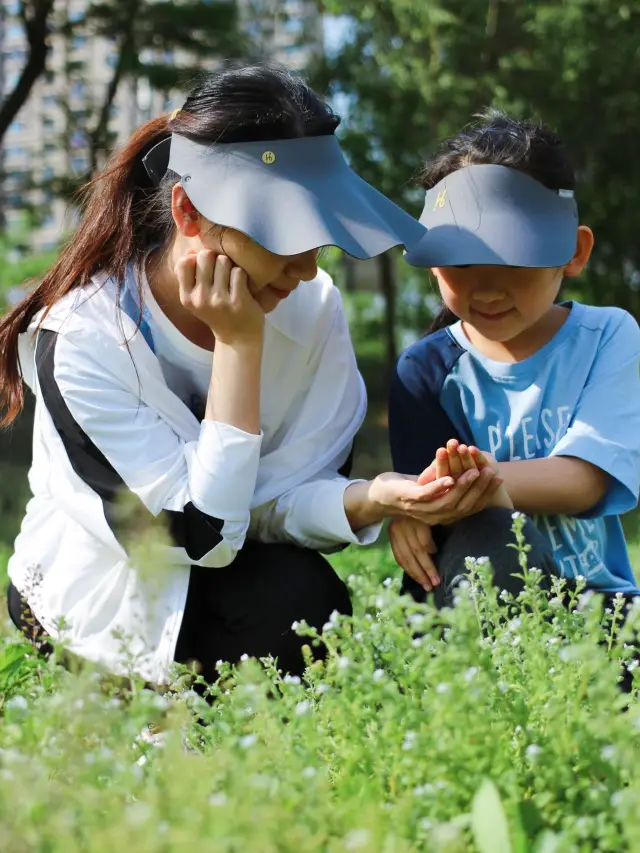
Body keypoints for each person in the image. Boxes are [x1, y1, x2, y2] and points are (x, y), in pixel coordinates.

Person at [1, 63, 489, 685]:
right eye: (284, 239)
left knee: (305, 602)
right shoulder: (82, 338)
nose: (306, 270)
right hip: (97, 590)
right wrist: (238, 347)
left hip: (232, 572)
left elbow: (272, 504)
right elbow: (198, 534)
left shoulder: (314, 307)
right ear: (188, 211)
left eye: (319, 240)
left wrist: (373, 497)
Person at [389, 110, 640, 609]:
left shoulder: (608, 336)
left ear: (574, 250)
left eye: (513, 257)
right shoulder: (424, 371)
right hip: (480, 601)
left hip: (600, 606)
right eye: (460, 261)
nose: (487, 286)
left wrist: (473, 481)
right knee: (490, 535)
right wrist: (414, 509)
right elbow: (434, 513)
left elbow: (586, 480)